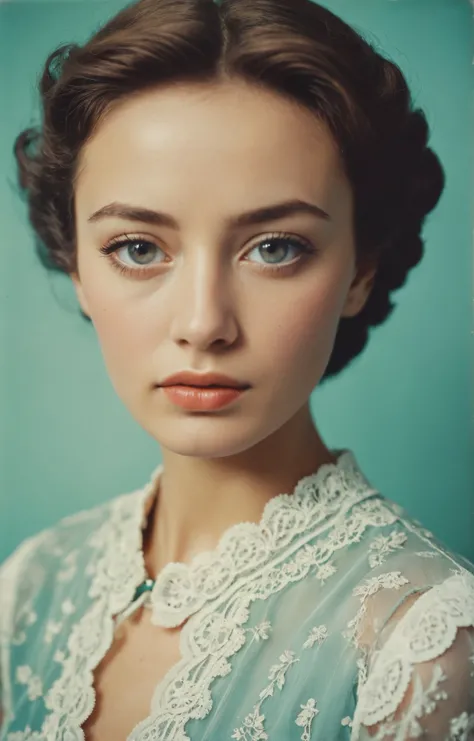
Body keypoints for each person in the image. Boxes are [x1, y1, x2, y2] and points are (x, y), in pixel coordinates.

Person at [1, 0, 473, 739]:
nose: (203, 324)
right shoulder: (29, 584)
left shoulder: (421, 643)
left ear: (361, 269)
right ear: (76, 267)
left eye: (276, 247)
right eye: (137, 247)